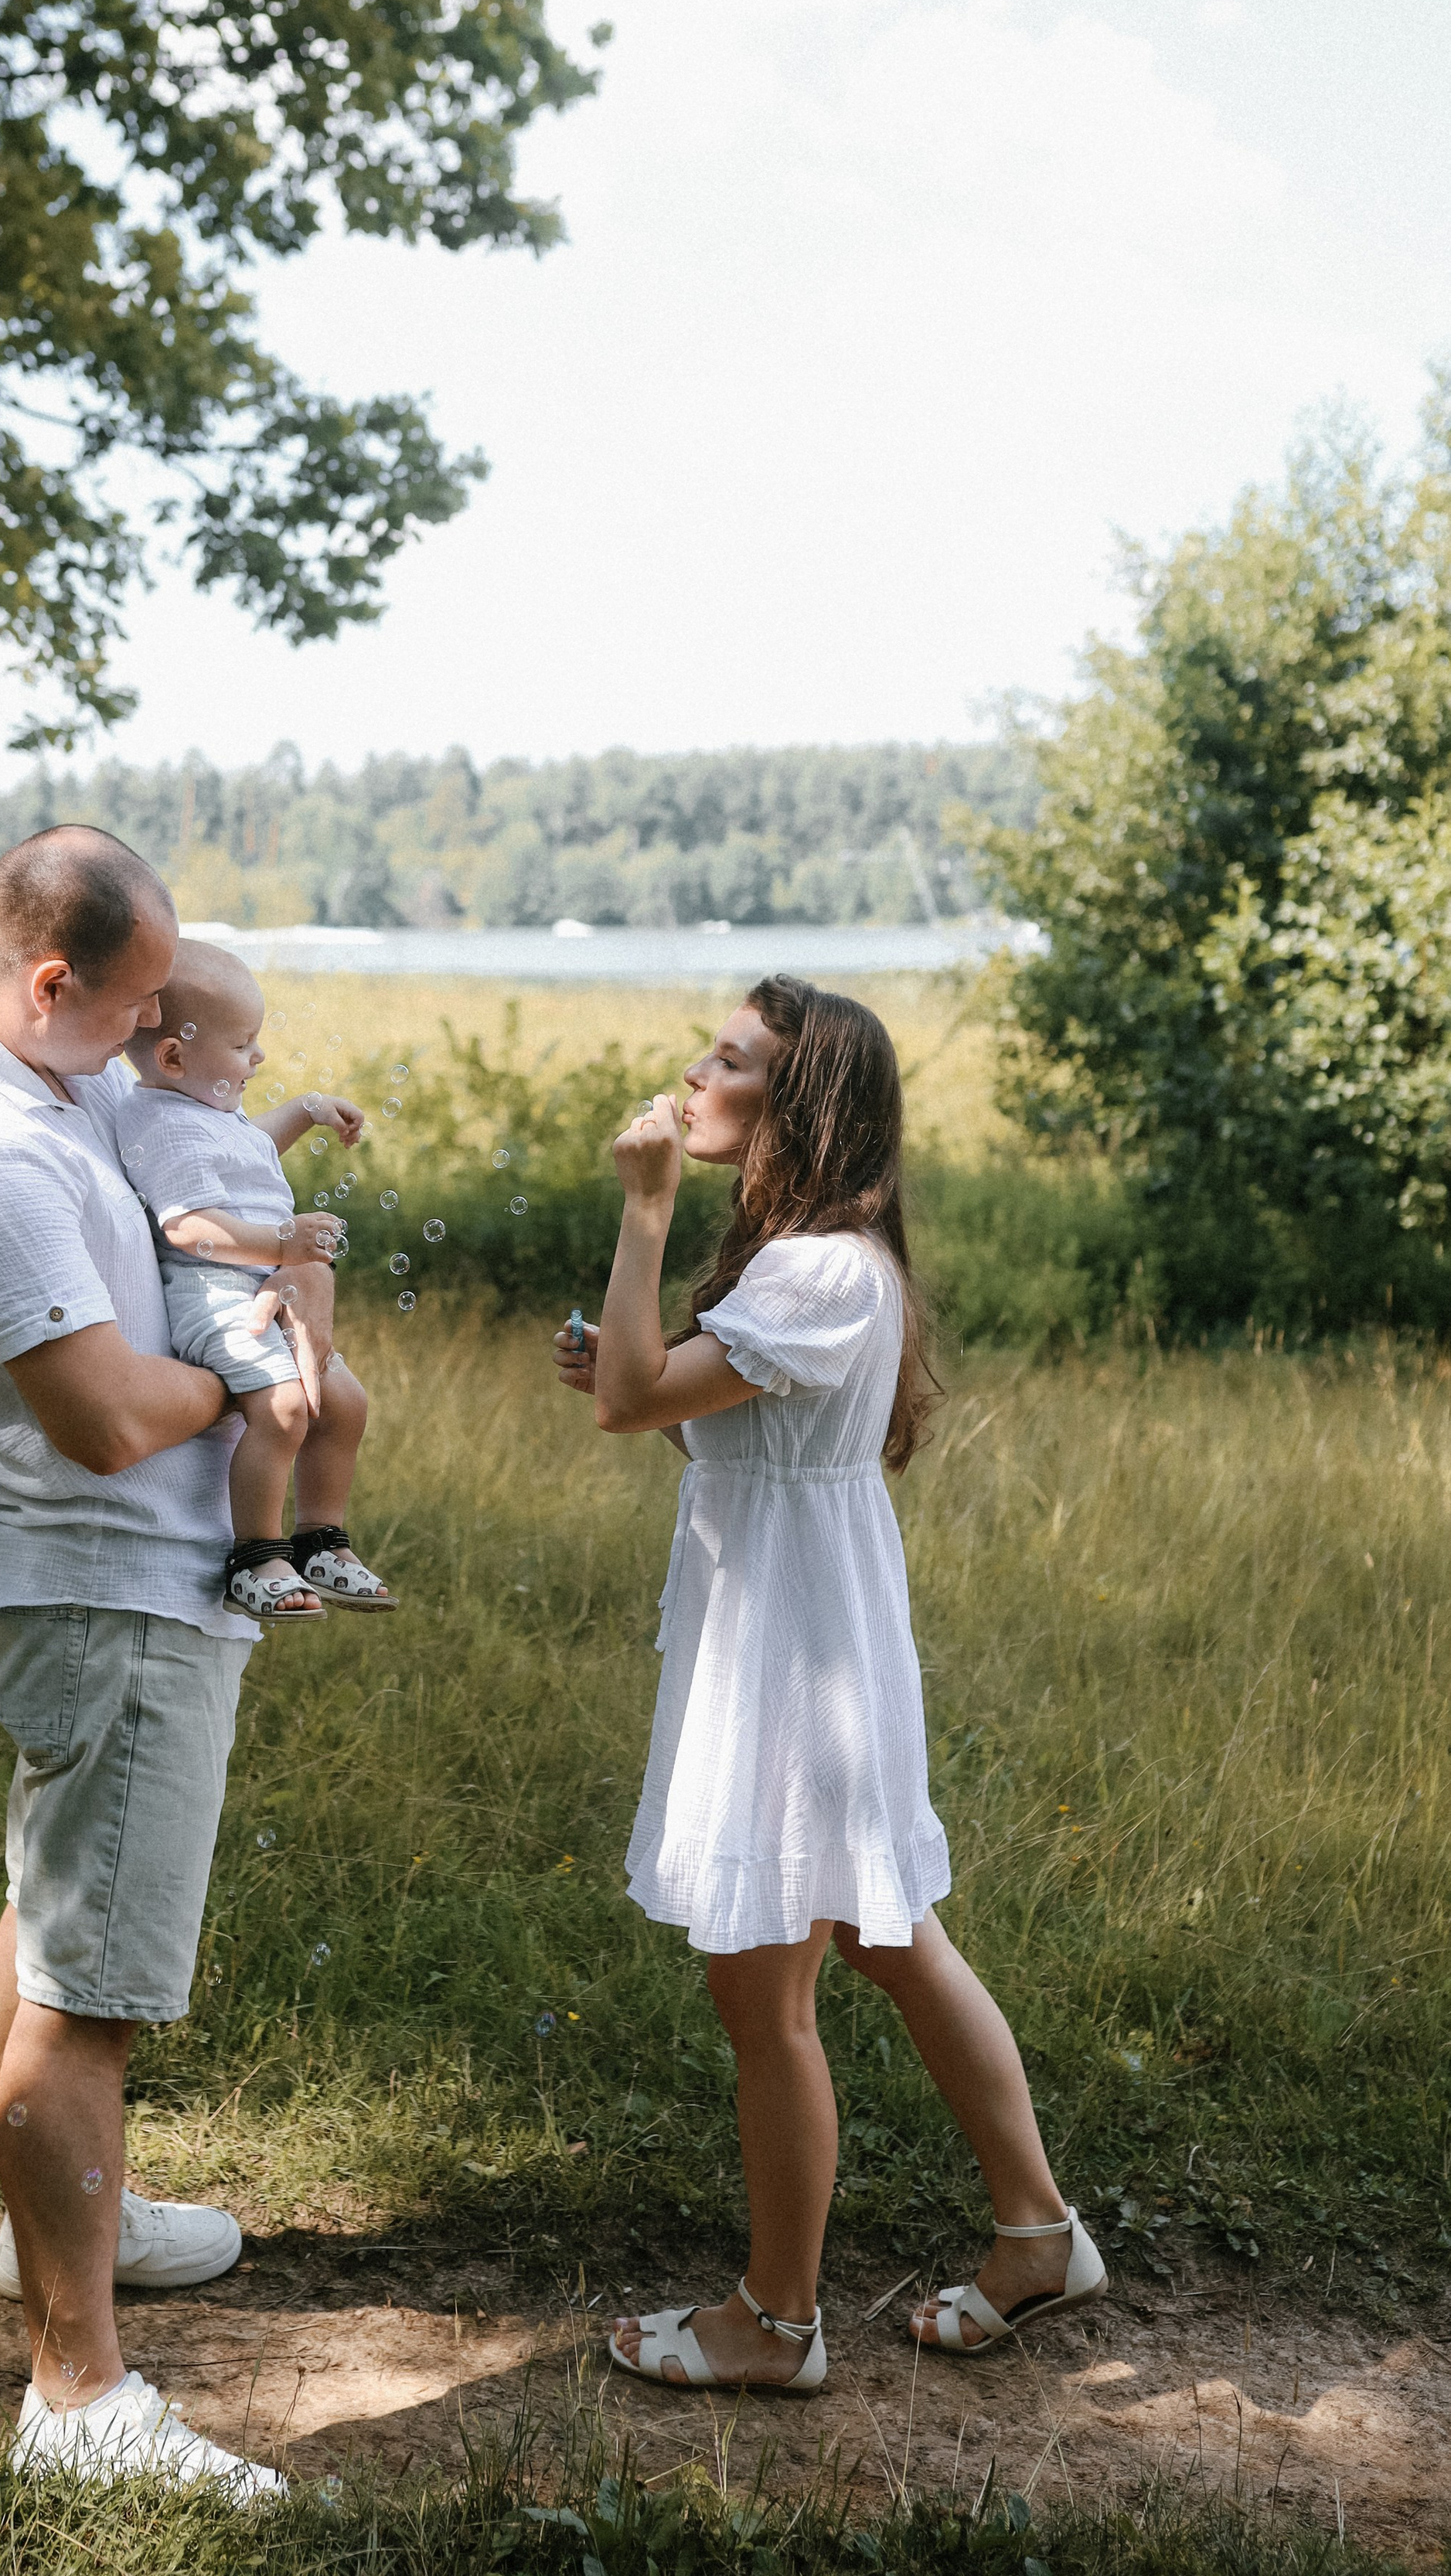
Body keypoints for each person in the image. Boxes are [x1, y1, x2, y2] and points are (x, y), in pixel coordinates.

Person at [553, 978, 1105, 2391]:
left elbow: (630, 1405)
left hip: (791, 1661)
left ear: (795, 1102)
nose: (691, 1073)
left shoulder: (814, 1271)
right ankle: (1039, 2233)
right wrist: (635, 1363)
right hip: (813, 1631)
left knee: (769, 2002)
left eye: (729, 1060)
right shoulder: (829, 1260)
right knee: (889, 1937)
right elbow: (684, 1423)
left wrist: (641, 1212)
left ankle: (776, 2322)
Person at [0, 825, 334, 2494]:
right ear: (50, 979)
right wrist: (258, 1358)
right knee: (88, 2004)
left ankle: (70, 2231)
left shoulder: (37, 1081)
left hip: (121, 1586)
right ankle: (78, 2401)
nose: (157, 1048)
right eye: (138, 1016)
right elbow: (100, 1416)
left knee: (51, 1912)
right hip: (114, 1584)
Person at [120, 940, 393, 1621]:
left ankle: (320, 1538)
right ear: (175, 1057)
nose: (258, 1057)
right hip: (214, 1295)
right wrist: (281, 1240)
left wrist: (305, 1109)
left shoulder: (208, 1113)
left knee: (346, 1402)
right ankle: (255, 1554)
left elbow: (250, 1148)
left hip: (266, 1286)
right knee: (284, 1409)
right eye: (243, 1044)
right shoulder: (161, 1122)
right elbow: (188, 1228)